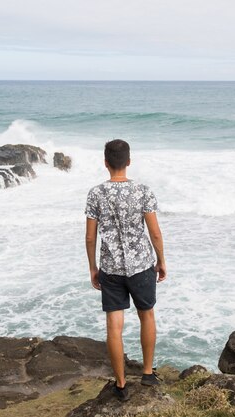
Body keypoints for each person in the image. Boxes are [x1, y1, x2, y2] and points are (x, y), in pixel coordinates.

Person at [84, 139, 167, 401]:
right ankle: (147, 372)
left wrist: (93, 268)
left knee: (114, 326)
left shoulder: (96, 193)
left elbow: (89, 237)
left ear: (106, 163)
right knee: (147, 316)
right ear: (128, 161)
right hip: (141, 265)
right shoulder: (142, 191)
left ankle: (120, 384)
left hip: (111, 268)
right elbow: (154, 231)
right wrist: (161, 259)